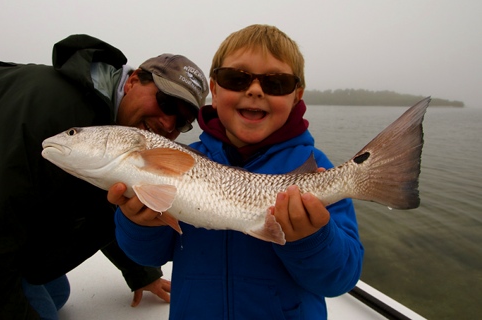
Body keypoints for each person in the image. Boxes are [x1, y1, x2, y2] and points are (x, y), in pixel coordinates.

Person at [109, 24, 364, 319]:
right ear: (214, 92)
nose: (255, 90)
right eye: (236, 78)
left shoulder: (316, 168)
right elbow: (149, 255)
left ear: (297, 96)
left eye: (276, 83)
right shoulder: (178, 159)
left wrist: (311, 239)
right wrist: (140, 224)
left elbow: (341, 279)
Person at [0, 34, 209, 320]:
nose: (167, 123)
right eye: (165, 102)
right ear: (133, 80)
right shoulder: (51, 112)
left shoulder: (116, 133)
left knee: (56, 291)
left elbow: (98, 205)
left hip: (11, 237)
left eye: (182, 121)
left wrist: (141, 273)